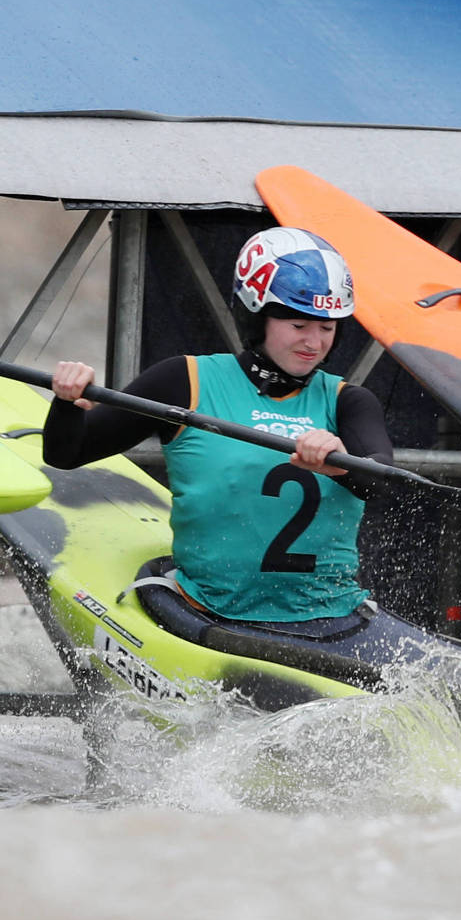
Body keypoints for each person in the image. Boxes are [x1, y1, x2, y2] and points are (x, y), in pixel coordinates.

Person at [41, 228, 398, 631]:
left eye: (327, 328)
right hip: (208, 613)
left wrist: (342, 466)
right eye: (299, 325)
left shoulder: (349, 401)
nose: (314, 343)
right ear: (256, 315)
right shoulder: (184, 381)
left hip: (329, 616)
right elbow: (66, 453)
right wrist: (67, 403)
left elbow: (383, 480)